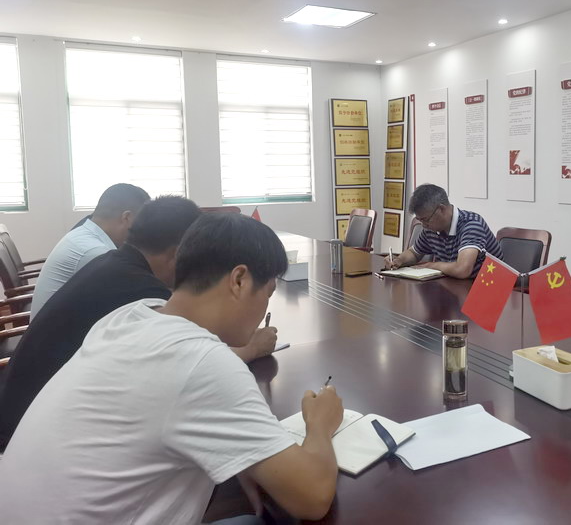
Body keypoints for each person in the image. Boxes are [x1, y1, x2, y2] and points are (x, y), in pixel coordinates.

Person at [0, 213, 343, 524]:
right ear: (239, 280)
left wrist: (242, 452)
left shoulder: (131, 315)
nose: (266, 305)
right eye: (267, 292)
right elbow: (312, 498)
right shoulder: (201, 362)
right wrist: (320, 423)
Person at [0, 197, 279, 452]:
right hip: (28, 432)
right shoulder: (142, 294)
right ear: (181, 252)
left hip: (32, 417)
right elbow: (189, 362)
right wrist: (252, 348)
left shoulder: (113, 264)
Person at [29, 182, 151, 317]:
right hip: (59, 329)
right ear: (126, 217)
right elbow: (128, 302)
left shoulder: (84, 234)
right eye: (141, 223)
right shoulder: (94, 252)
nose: (142, 232)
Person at [385, 183, 503, 278]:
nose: (424, 225)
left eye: (426, 219)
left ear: (441, 209)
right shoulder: (431, 228)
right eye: (419, 220)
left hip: (487, 288)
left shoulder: (471, 225)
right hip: (454, 285)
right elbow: (414, 253)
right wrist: (399, 260)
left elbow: (462, 269)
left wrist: (431, 265)